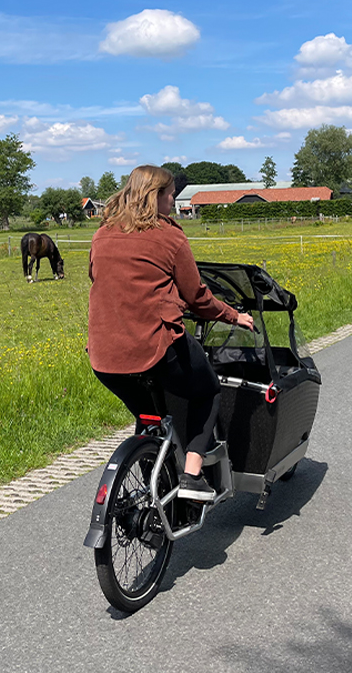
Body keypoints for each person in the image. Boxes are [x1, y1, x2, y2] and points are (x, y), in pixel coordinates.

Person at [87, 165, 254, 501]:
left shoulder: (103, 233)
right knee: (207, 390)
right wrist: (233, 316)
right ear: (157, 197)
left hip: (104, 354)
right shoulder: (169, 235)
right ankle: (192, 476)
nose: (173, 200)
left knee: (149, 417)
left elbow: (99, 277)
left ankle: (153, 488)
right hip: (153, 347)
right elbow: (197, 297)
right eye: (170, 195)